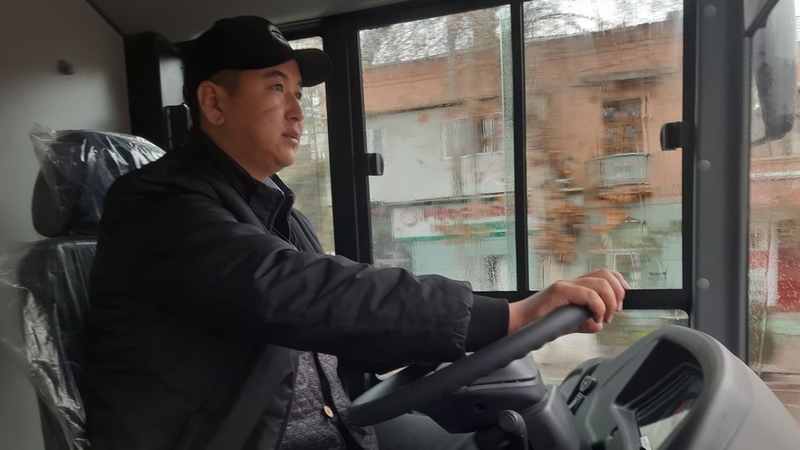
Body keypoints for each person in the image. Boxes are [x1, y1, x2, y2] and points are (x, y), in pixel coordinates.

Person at [86, 15, 628, 450]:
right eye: (276, 87)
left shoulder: (276, 212)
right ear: (213, 103)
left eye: (299, 93)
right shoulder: (156, 207)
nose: (298, 111)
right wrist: (507, 317)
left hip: (334, 426)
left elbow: (335, 330)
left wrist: (433, 343)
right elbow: (302, 292)